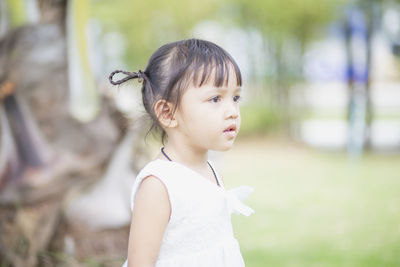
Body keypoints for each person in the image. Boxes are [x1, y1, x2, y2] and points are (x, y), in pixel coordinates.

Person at [109, 38, 255, 267]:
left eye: (235, 98)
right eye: (215, 98)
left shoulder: (211, 170)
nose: (233, 112)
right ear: (167, 113)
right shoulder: (158, 185)